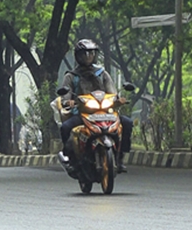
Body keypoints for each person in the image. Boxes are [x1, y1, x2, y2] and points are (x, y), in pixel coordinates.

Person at [57, 39, 134, 174]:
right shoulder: (71, 76)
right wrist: (67, 101)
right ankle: (70, 159)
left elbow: (112, 92)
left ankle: (120, 158)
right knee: (66, 127)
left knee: (127, 123)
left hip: (105, 112)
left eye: (91, 53)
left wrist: (118, 100)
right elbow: (65, 95)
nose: (88, 57)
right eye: (84, 54)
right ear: (78, 56)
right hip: (82, 113)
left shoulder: (102, 74)